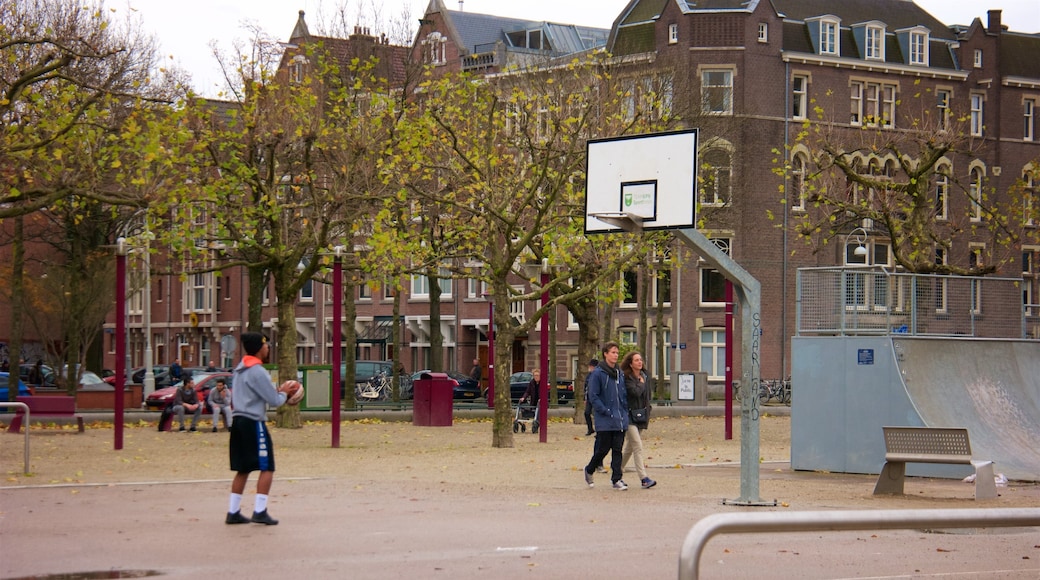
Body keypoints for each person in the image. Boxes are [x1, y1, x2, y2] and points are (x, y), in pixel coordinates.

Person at [226, 332, 294, 526]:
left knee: (243, 468)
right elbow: (273, 400)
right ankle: (260, 510)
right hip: (253, 422)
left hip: (238, 420)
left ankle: (233, 511)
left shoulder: (239, 370)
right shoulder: (257, 371)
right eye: (266, 345)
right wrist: (285, 394)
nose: (268, 348)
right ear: (259, 348)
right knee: (267, 466)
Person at [583, 342, 629, 490]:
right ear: (605, 354)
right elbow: (593, 396)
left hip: (620, 417)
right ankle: (589, 469)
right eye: (613, 352)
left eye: (617, 352)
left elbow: (622, 393)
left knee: (617, 449)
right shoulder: (597, 373)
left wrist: (624, 409)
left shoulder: (619, 373)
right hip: (605, 418)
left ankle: (617, 478)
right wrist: (604, 411)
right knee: (603, 449)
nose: (615, 355)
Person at [620, 352, 656, 489]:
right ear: (630, 363)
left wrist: (648, 409)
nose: (640, 362)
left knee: (630, 447)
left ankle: (618, 469)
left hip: (641, 414)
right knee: (637, 446)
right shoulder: (627, 378)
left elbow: (647, 395)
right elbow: (635, 393)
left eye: (641, 359)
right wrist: (641, 384)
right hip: (629, 415)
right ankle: (644, 478)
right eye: (636, 360)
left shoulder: (645, 376)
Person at [582, 358, 598, 436]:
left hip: (595, 397)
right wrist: (584, 398)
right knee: (587, 413)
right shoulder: (589, 375)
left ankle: (598, 430)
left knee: (596, 414)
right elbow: (586, 387)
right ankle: (590, 429)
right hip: (589, 397)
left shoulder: (597, 375)